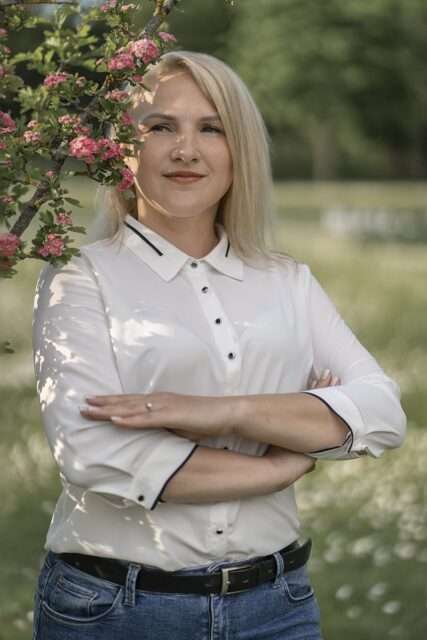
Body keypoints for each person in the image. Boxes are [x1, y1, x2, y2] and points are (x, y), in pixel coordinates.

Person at [31, 51, 406, 640]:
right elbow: (93, 452)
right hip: (118, 609)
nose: (186, 150)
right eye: (161, 127)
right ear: (123, 148)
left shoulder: (287, 279)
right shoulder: (79, 278)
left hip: (277, 608)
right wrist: (281, 461)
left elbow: (381, 413)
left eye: (211, 128)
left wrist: (219, 413)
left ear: (240, 149)